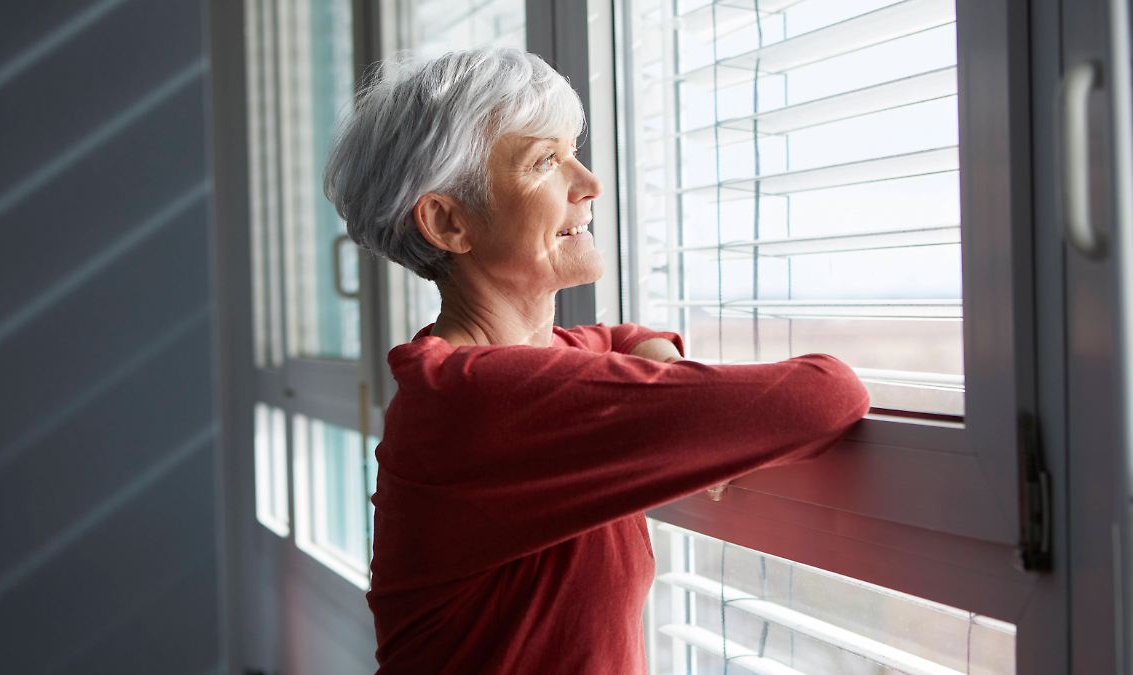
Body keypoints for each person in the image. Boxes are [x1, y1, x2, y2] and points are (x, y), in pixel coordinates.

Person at [324, 46, 870, 674]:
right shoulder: (476, 398)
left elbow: (611, 336)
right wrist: (683, 394)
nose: (589, 185)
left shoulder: (517, 365)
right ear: (448, 222)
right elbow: (826, 396)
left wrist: (654, 356)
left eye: (572, 151)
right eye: (546, 161)